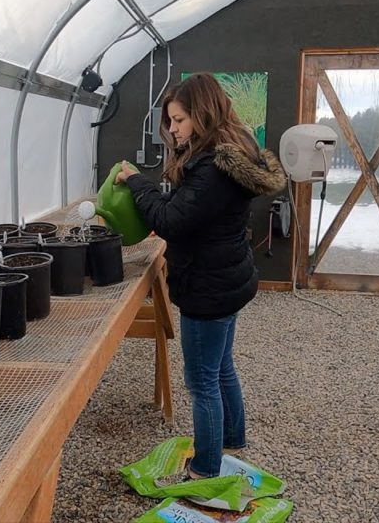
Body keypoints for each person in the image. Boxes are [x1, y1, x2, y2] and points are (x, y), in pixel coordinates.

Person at [115, 73, 286, 478]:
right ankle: (233, 438)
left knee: (201, 381)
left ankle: (206, 468)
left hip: (207, 287)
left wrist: (138, 182)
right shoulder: (232, 152)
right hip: (228, 278)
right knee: (221, 365)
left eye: (178, 120)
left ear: (203, 114)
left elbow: (171, 221)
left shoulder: (211, 168)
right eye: (170, 122)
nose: (172, 130)